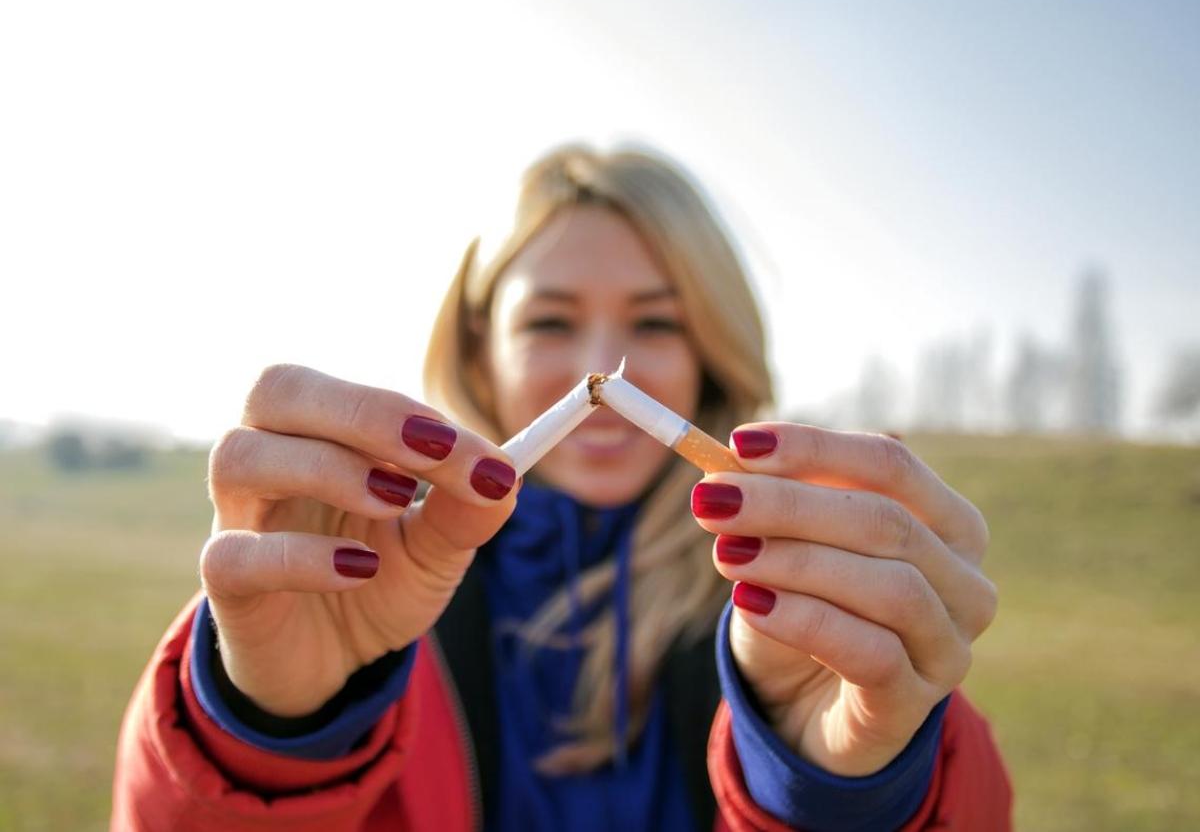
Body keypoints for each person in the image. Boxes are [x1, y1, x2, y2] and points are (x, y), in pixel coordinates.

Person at [111, 143, 1012, 831]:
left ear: (712, 353)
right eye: (549, 320)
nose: (600, 373)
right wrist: (268, 727)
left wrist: (841, 777)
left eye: (655, 321)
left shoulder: (805, 599)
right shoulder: (367, 577)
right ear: (477, 350)